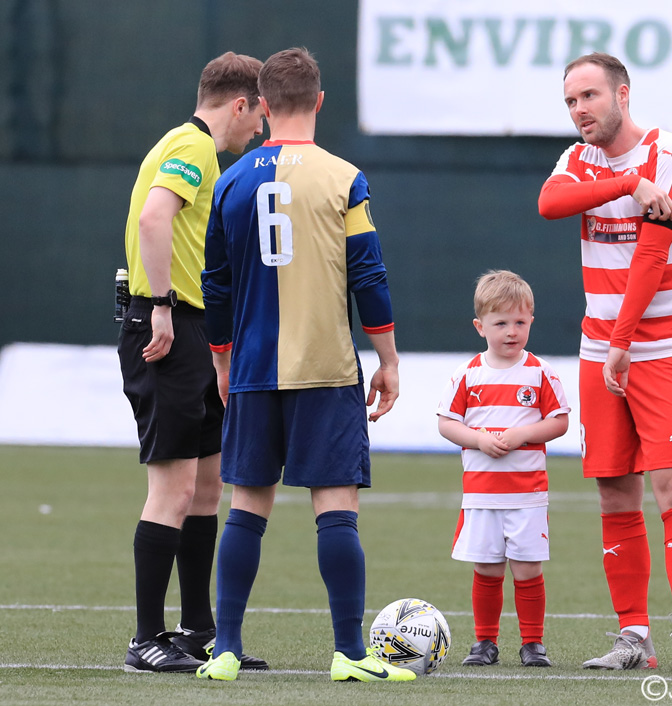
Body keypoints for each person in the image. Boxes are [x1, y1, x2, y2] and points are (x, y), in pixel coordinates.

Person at [195, 47, 415, 683]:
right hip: (325, 368)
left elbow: (216, 285)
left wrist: (220, 360)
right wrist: (389, 359)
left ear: (263, 107)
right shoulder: (345, 177)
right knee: (336, 507)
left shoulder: (230, 180)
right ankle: (349, 654)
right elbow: (368, 276)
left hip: (256, 370)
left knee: (245, 508)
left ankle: (226, 650)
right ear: (319, 101)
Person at [537, 52, 672, 673]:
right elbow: (550, 203)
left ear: (623, 94)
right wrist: (623, 185)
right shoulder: (578, 159)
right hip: (600, 349)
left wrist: (622, 342)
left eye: (589, 96)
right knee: (615, 494)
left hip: (661, 348)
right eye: (570, 102)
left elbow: (653, 257)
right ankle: (633, 639)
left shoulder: (671, 154)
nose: (580, 110)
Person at [117, 51, 267, 674]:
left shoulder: (194, 148)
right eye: (257, 115)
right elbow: (156, 216)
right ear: (239, 104)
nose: (257, 130)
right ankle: (145, 638)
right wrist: (159, 305)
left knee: (207, 486)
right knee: (174, 486)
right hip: (169, 325)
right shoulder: (194, 145)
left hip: (196, 329)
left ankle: (197, 630)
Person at [437, 270, 569, 668]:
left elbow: (560, 420)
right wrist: (477, 439)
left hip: (527, 494)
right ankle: (484, 643)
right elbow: (446, 423)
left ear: (531, 321)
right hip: (481, 495)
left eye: (520, 322)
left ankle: (533, 643)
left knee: (528, 568)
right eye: (501, 323)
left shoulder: (541, 372)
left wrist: (522, 434)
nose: (511, 331)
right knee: (487, 566)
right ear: (480, 326)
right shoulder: (466, 374)